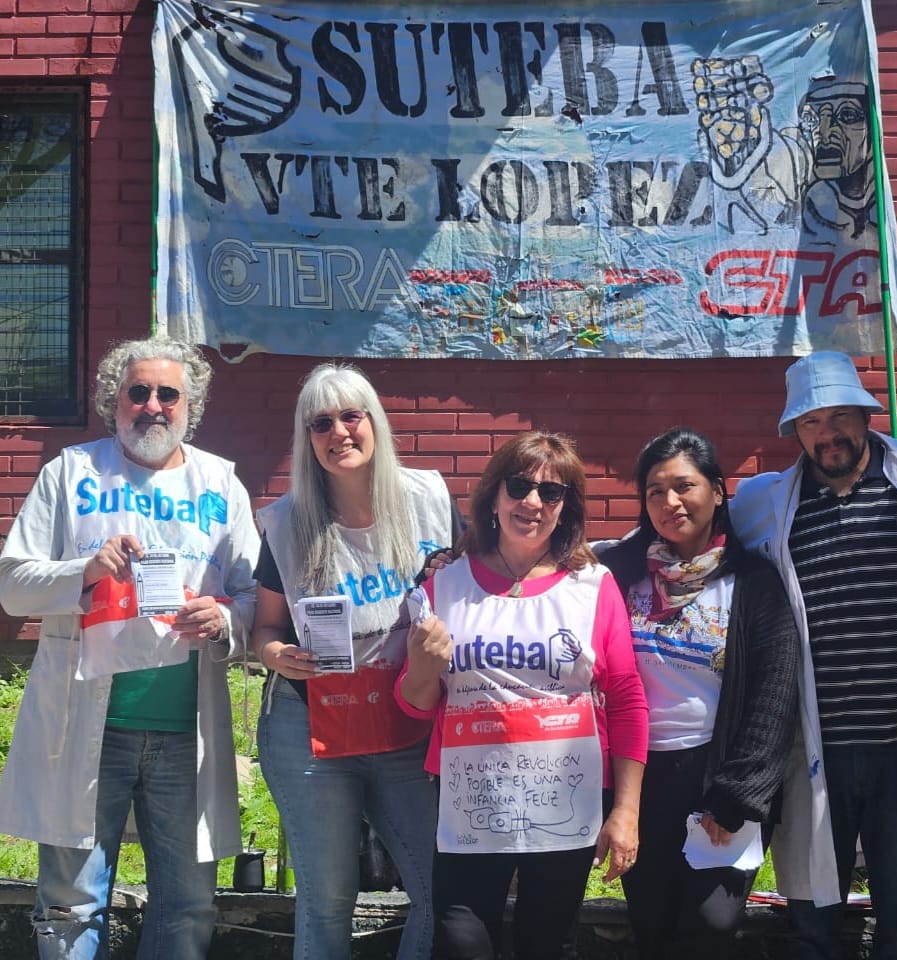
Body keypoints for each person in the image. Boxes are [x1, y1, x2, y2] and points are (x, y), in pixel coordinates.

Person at [0, 336, 260, 960]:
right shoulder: (71, 473)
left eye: (168, 394)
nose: (152, 405)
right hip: (89, 724)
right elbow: (12, 585)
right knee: (72, 904)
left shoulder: (220, 482)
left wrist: (225, 617)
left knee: (188, 908)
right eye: (137, 392)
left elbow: (256, 596)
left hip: (183, 732)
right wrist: (85, 570)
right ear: (112, 401)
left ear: (189, 406)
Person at [730, 351, 897, 960]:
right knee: (813, 924)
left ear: (867, 415)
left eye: (841, 415)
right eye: (811, 421)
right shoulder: (763, 501)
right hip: (816, 746)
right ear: (795, 431)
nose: (828, 433)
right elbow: (685, 533)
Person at [396, 431, 648, 960]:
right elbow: (415, 703)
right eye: (519, 486)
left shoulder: (593, 585)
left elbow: (626, 699)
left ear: (565, 508)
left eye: (551, 492)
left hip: (565, 799)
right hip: (472, 800)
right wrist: (422, 664)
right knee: (461, 940)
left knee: (546, 943)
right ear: (493, 496)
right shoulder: (445, 584)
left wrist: (626, 811)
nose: (532, 502)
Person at [251, 363, 459, 960]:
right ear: (307, 439)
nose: (339, 432)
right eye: (321, 423)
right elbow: (265, 627)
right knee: (327, 902)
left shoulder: (429, 500)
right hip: (312, 728)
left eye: (350, 416)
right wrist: (276, 654)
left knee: (440, 892)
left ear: (375, 423)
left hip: (408, 723)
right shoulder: (287, 523)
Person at [596, 428, 800, 959]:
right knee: (652, 922)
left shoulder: (753, 582)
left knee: (711, 923)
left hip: (717, 775)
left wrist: (737, 792)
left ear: (717, 490)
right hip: (639, 778)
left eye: (684, 486)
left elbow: (775, 693)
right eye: (655, 491)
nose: (670, 502)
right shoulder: (617, 574)